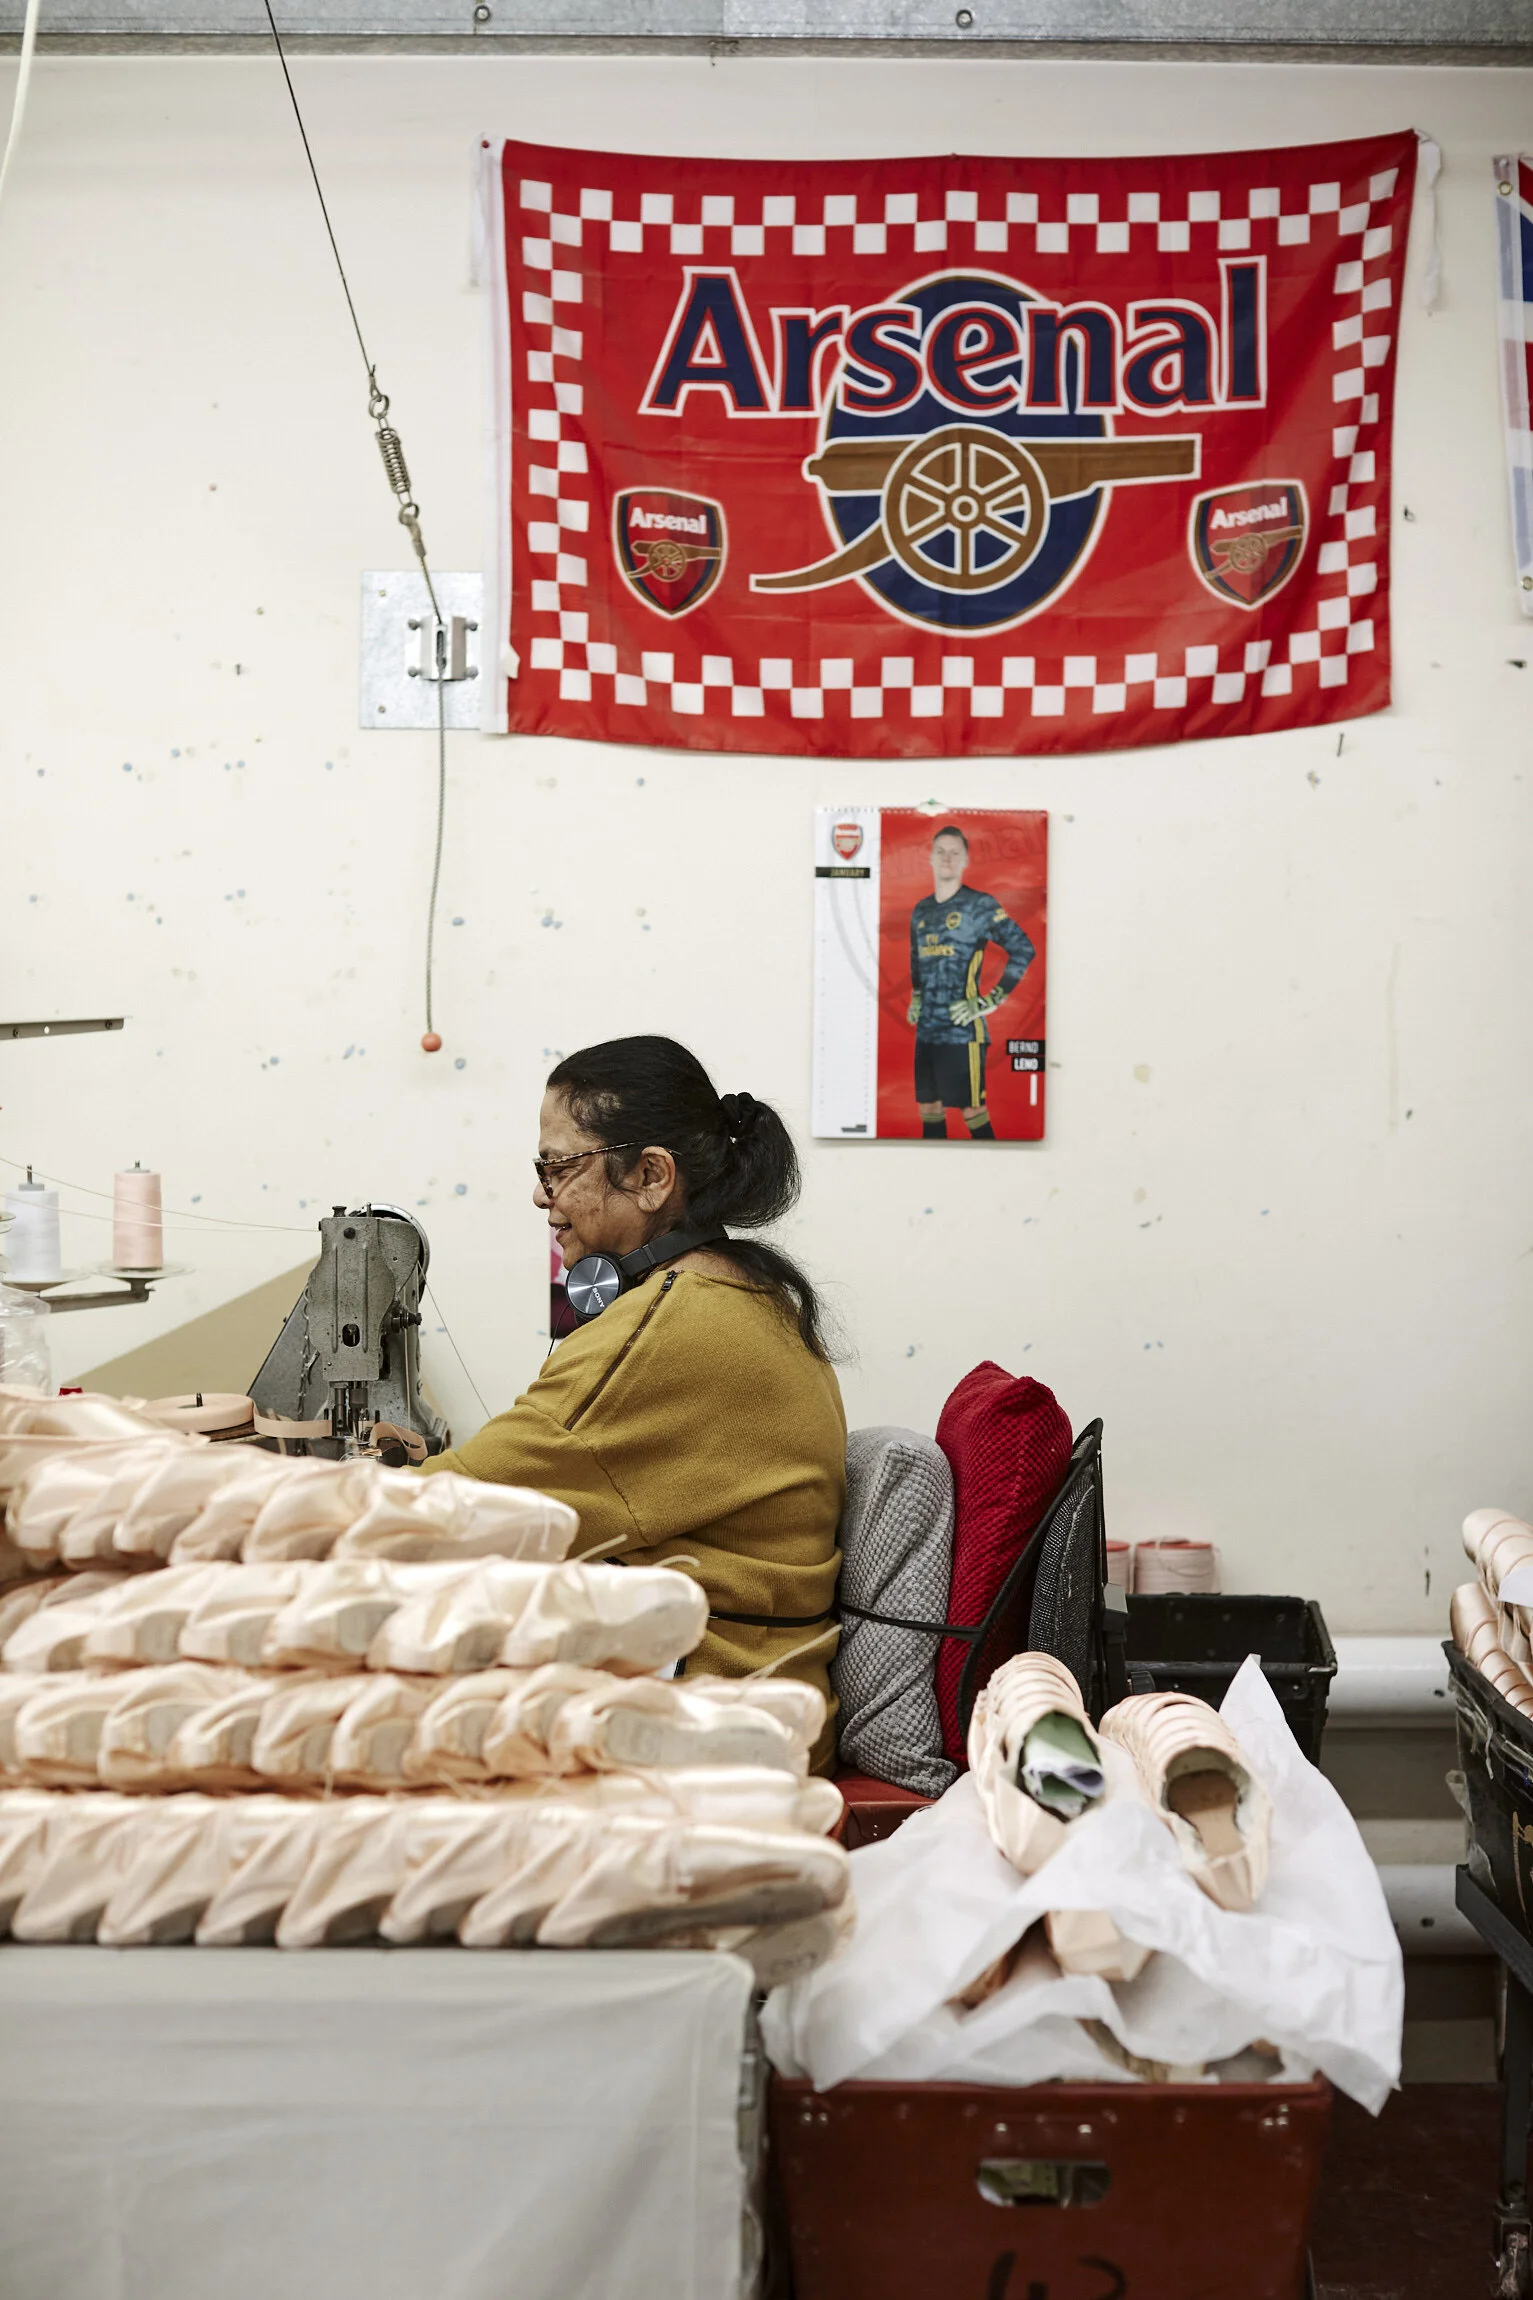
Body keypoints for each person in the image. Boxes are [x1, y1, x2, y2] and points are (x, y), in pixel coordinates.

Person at [417, 1035, 846, 1769]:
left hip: (704, 1727)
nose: (540, 1195)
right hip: (757, 1707)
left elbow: (432, 1518)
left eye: (558, 1166)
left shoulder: (667, 1330)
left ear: (650, 1176)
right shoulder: (740, 1295)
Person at [907, 822, 1035, 1140]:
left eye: (955, 853)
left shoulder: (979, 906)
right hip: (927, 1031)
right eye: (940, 852)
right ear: (931, 859)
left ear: (965, 860)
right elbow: (916, 958)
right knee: (930, 1108)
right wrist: (918, 996)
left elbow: (1023, 949)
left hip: (961, 1032)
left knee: (972, 1110)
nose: (947, 858)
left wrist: (988, 1001)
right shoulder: (921, 911)